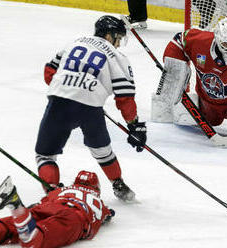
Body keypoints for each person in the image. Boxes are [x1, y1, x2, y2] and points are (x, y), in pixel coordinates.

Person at [35, 15, 147, 201]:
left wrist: (72, 89)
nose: (118, 44)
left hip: (59, 101)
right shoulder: (117, 56)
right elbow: (125, 97)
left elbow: (49, 72)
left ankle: (52, 193)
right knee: (103, 151)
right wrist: (134, 125)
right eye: (118, 39)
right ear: (109, 36)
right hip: (90, 108)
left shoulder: (74, 42)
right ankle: (119, 185)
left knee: (45, 155)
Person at [152, 18, 227, 147]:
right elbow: (179, 40)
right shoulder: (201, 42)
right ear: (216, 38)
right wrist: (175, 70)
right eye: (224, 43)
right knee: (211, 120)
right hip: (209, 101)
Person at [0, 170, 115, 248]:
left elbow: (42, 202)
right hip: (73, 217)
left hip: (47, 207)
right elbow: (108, 215)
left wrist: (54, 192)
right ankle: (15, 203)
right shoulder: (99, 201)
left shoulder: (60, 191)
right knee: (33, 241)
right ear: (96, 188)